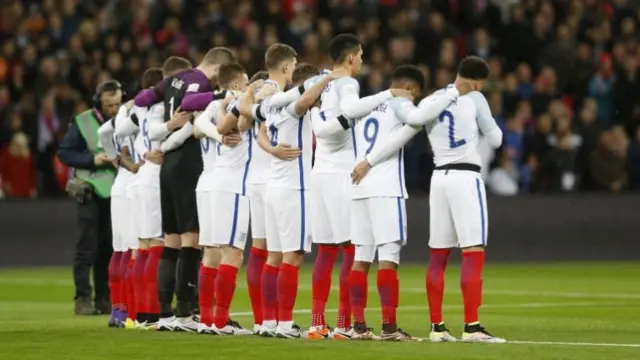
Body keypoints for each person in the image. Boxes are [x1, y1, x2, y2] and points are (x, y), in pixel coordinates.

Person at [351, 56, 506, 343]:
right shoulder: (476, 99)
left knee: (438, 254)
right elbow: (496, 140)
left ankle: (437, 326)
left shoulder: (431, 101)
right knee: (473, 250)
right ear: (476, 81)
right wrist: (486, 129)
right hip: (466, 177)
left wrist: (367, 161)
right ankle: (472, 327)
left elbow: (408, 131)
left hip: (439, 179)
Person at [305, 33, 411, 340]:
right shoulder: (347, 84)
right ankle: (344, 324)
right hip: (343, 175)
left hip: (318, 173)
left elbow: (316, 121)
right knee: (353, 251)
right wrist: (388, 94)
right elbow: (350, 112)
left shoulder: (321, 84)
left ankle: (316, 322)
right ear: (351, 58)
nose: (362, 61)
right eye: (361, 55)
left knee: (325, 252)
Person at [135, 48, 235, 332]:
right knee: (192, 238)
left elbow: (144, 99)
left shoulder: (173, 79)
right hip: (188, 162)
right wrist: (219, 96)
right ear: (217, 70)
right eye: (220, 79)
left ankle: (165, 314)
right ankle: (184, 313)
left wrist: (133, 105)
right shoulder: (203, 84)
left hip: (168, 166)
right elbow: (192, 105)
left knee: (171, 240)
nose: (218, 84)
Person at [330, 65, 423, 341]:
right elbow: (415, 118)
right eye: (415, 95)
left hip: (359, 188)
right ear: (410, 89)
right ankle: (389, 327)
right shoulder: (400, 104)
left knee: (361, 258)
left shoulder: (365, 109)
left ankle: (358, 326)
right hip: (385, 188)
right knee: (389, 257)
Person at [115, 57, 193, 330]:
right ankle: (151, 314)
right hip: (153, 175)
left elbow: (118, 130)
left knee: (143, 248)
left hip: (141, 175)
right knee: (155, 246)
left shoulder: (143, 107)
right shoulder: (164, 105)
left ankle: (136, 314)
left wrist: (127, 109)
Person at [190, 63, 251, 335]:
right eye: (247, 81)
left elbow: (196, 127)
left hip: (207, 183)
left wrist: (214, 133)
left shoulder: (211, 106)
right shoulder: (236, 101)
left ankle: (205, 319)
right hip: (231, 183)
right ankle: (222, 321)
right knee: (233, 253)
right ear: (237, 84)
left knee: (210, 254)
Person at [58, 80, 123, 316]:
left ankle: (104, 298)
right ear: (98, 103)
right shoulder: (83, 121)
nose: (114, 109)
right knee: (88, 246)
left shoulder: (124, 118)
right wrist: (93, 160)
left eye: (117, 104)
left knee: (108, 248)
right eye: (109, 105)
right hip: (90, 190)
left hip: (116, 191)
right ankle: (82, 298)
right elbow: (64, 153)